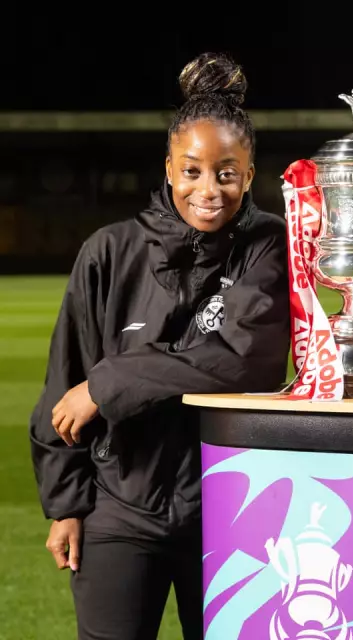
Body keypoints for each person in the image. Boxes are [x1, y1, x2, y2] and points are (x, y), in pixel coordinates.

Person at [29, 52, 290, 640]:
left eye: (227, 172)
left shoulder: (270, 242)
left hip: (233, 510)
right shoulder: (109, 251)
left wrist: (110, 384)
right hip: (119, 507)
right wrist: (65, 503)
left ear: (249, 175)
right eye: (192, 170)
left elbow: (247, 360)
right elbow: (61, 377)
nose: (209, 189)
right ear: (169, 168)